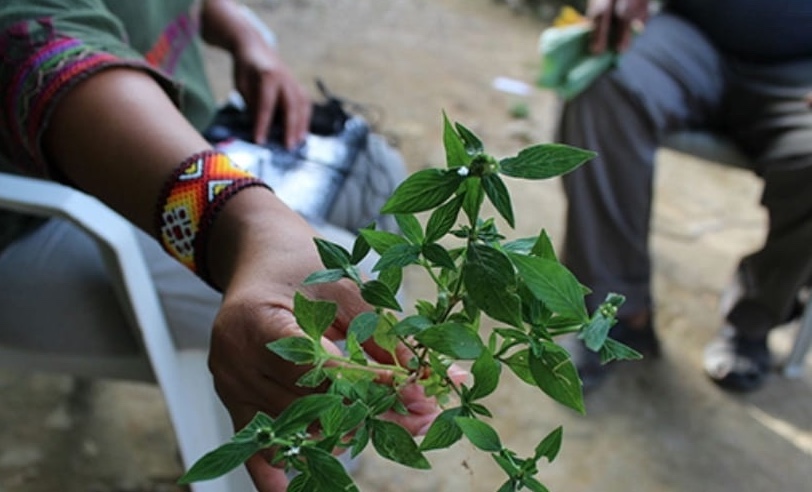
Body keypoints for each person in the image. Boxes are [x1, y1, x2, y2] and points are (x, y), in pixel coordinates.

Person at [0, 1, 447, 490]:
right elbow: (36, 43)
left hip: (183, 131)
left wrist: (236, 31)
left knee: (375, 170)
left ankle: (337, 444)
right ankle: (303, 460)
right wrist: (252, 226)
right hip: (34, 222)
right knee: (329, 300)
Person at [557, 0, 812, 392]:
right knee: (606, 85)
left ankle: (753, 320)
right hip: (690, 34)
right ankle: (619, 306)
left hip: (800, 74)